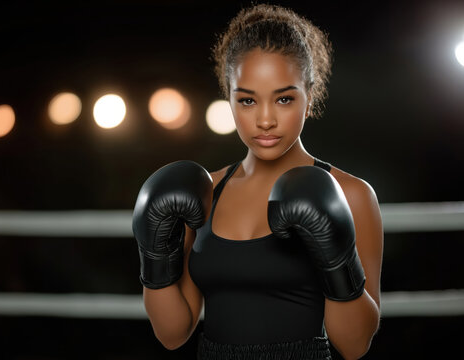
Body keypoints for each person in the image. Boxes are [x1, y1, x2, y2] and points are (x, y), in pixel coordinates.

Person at [132, 3, 383, 359]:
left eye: (283, 98)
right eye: (247, 100)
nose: (265, 120)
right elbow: (173, 334)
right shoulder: (204, 191)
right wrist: (154, 253)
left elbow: (354, 345)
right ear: (229, 99)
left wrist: (336, 260)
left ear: (309, 98)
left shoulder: (351, 194)